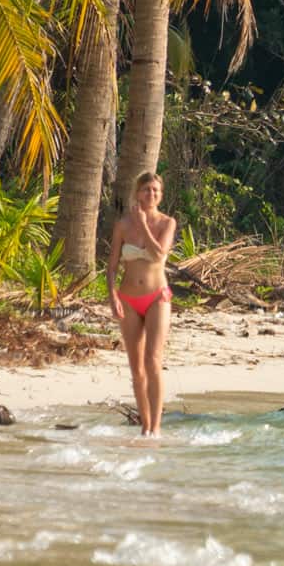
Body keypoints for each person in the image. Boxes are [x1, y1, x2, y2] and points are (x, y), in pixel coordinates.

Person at [107, 173, 177, 436]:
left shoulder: (167, 223)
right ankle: (145, 427)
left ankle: (156, 427)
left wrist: (144, 224)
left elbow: (159, 253)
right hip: (128, 299)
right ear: (137, 193)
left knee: (153, 361)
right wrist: (112, 295)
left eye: (156, 190)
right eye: (147, 190)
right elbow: (112, 265)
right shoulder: (123, 225)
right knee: (136, 367)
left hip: (157, 296)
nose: (152, 194)